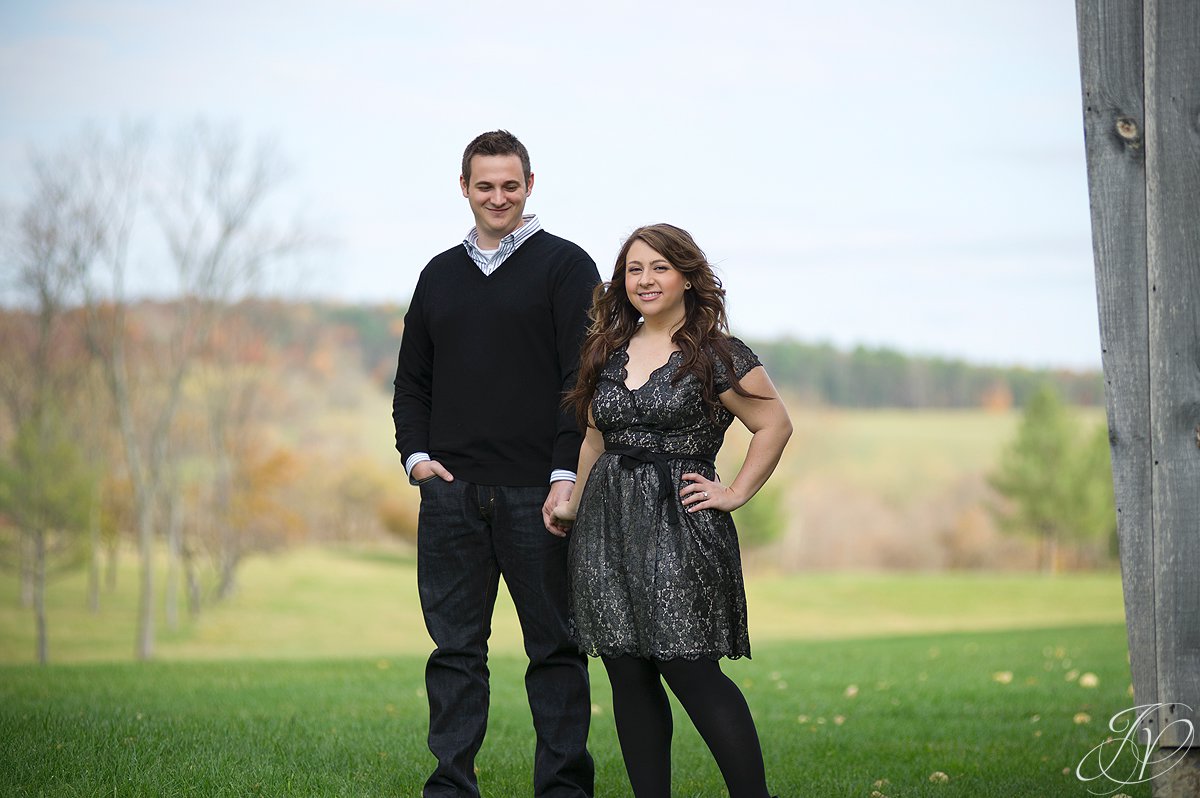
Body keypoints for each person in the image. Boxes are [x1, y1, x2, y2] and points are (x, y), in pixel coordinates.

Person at [550, 223, 792, 798]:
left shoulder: (716, 353)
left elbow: (774, 423)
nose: (645, 279)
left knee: (689, 668)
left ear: (686, 276)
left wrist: (733, 492)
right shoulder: (606, 350)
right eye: (634, 269)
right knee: (627, 674)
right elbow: (593, 439)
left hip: (680, 525)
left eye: (659, 267)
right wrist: (571, 501)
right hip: (605, 529)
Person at [392, 130, 599, 798]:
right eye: (485, 185)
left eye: (511, 185)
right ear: (464, 189)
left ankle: (564, 790)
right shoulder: (438, 275)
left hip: (537, 495)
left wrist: (565, 473)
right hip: (451, 497)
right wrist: (417, 458)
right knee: (454, 654)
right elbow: (411, 382)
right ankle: (451, 787)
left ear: (530, 186)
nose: (498, 197)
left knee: (556, 650)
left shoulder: (566, 268)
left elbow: (582, 377)